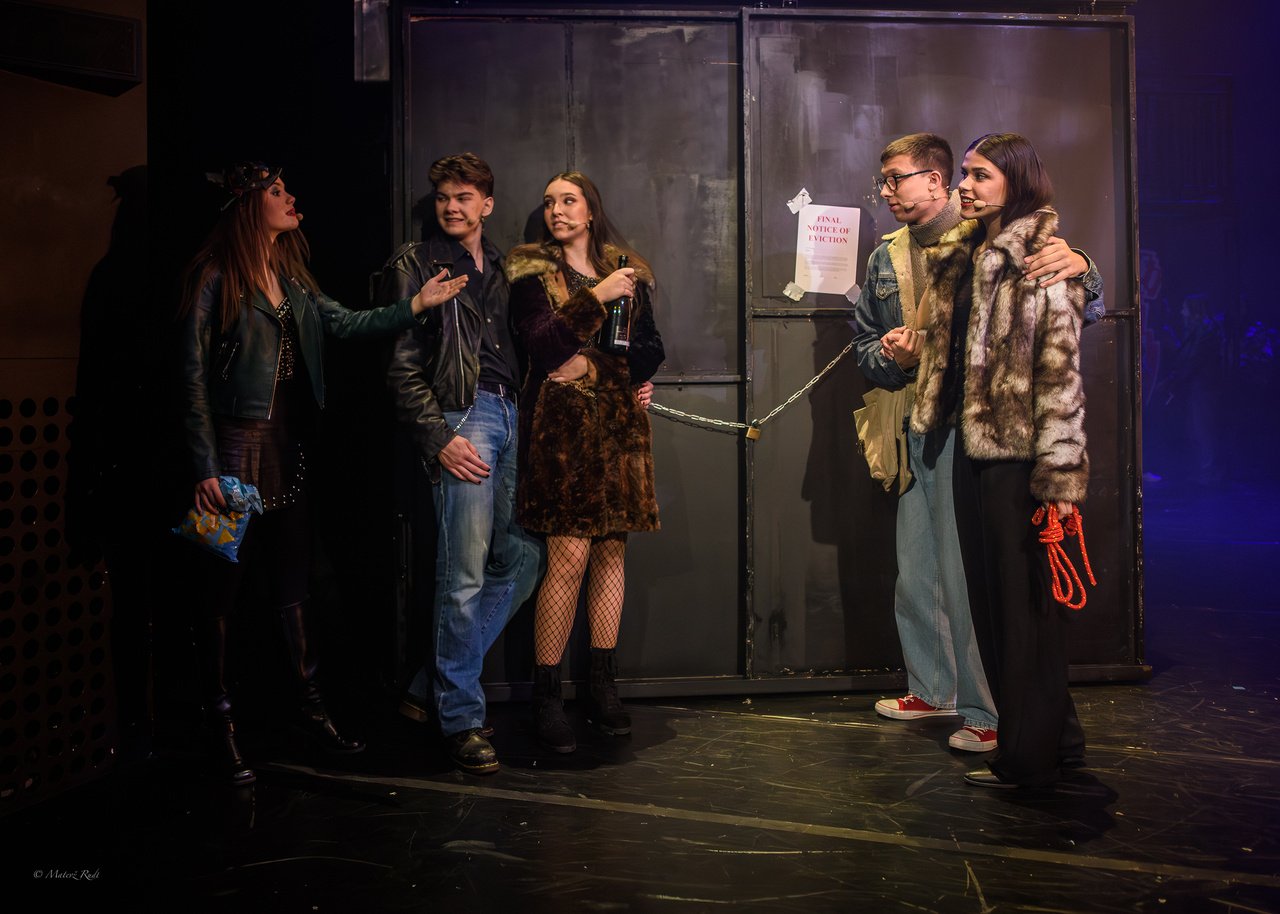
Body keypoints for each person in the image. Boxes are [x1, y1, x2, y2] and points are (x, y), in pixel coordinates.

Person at [178, 162, 461, 785]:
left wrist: (416, 304)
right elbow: (191, 378)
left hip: (287, 451)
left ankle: (308, 710)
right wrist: (205, 466)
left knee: (294, 588)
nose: (291, 198)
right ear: (249, 205)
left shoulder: (291, 278)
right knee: (219, 599)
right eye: (277, 191)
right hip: (233, 454)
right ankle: (218, 725)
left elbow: (347, 322)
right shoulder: (216, 276)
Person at [853, 134, 1102, 754]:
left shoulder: (1009, 246)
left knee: (983, 583)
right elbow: (868, 346)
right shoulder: (909, 255)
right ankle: (938, 690)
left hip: (993, 440)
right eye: (883, 181)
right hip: (921, 422)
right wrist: (896, 357)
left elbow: (1064, 343)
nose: (887, 192)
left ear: (933, 180)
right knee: (921, 570)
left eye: (897, 178)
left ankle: (994, 715)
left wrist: (1084, 267)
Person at [910, 133, 1090, 788]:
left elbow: (1061, 377)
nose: (965, 185)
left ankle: (1027, 761)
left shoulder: (1038, 258)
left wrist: (1059, 479)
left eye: (980, 174)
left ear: (1015, 181)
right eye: (964, 172)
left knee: (1024, 614)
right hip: (972, 448)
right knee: (999, 607)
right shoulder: (965, 254)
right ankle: (1056, 739)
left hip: (1021, 459)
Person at [381, 153, 543, 775]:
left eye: (464, 196)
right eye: (445, 197)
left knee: (522, 557)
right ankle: (461, 720)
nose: (452, 206)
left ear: (486, 204)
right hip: (463, 415)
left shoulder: (507, 266)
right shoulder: (416, 263)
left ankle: (431, 685)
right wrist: (437, 437)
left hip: (511, 416)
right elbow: (400, 367)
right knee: (463, 575)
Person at [506, 171, 664, 754]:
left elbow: (650, 351)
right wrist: (595, 298)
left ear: (591, 210)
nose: (557, 210)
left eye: (568, 200)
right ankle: (547, 698)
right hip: (561, 435)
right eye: (549, 202)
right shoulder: (531, 272)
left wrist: (597, 368)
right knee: (567, 558)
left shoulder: (628, 270)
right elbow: (543, 346)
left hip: (619, 431)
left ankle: (602, 686)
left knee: (611, 554)